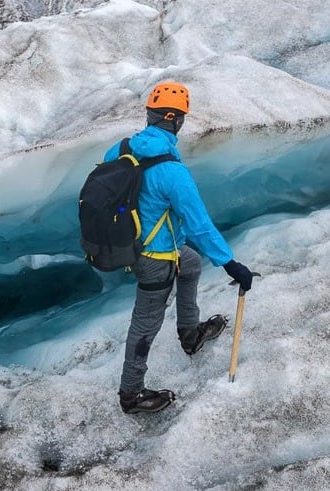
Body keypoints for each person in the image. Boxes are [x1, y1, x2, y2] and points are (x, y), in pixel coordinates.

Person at [103, 82, 254, 414]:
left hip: (133, 245)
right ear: (173, 120)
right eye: (181, 118)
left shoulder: (119, 150)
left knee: (192, 263)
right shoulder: (172, 173)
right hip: (155, 258)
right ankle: (131, 394)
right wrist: (231, 264)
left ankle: (190, 332)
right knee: (145, 323)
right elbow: (199, 225)